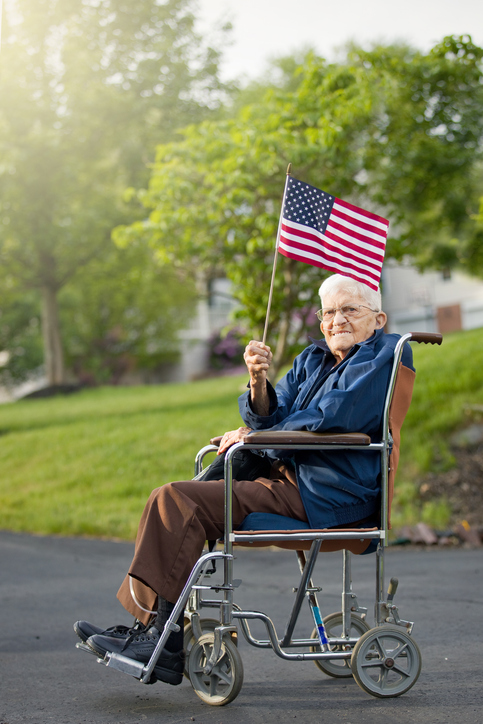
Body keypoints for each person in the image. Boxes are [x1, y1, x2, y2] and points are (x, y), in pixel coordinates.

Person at [74, 273, 413, 686]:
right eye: (328, 312)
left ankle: (160, 638)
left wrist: (259, 437)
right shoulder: (313, 358)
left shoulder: (384, 356)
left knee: (177, 500)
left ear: (378, 319)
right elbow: (272, 410)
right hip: (285, 478)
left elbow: (333, 417)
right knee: (175, 497)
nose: (336, 320)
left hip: (327, 492)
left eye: (349, 310)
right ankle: (156, 633)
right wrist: (257, 382)